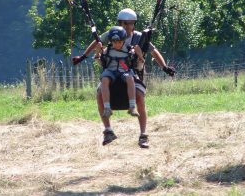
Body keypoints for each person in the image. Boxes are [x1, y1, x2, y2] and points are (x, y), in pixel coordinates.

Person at [72, 8, 175, 148]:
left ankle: (143, 135)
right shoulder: (112, 33)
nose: (128, 26)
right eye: (125, 23)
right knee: (99, 94)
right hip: (112, 71)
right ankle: (108, 131)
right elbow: (97, 43)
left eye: (131, 23)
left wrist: (164, 67)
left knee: (139, 97)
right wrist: (83, 56)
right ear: (120, 23)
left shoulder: (139, 37)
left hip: (131, 72)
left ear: (134, 24)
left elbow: (153, 51)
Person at [98, 26, 143, 119]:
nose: (117, 44)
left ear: (124, 40)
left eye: (119, 42)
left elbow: (139, 66)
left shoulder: (130, 50)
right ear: (110, 41)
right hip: (111, 71)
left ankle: (132, 106)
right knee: (104, 80)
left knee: (130, 78)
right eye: (114, 42)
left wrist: (140, 55)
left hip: (124, 71)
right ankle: (107, 108)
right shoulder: (107, 50)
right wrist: (97, 53)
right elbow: (101, 62)